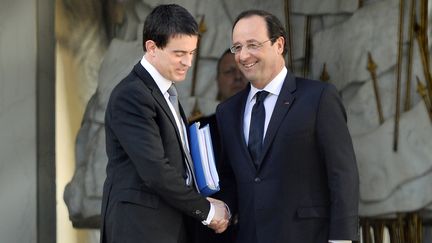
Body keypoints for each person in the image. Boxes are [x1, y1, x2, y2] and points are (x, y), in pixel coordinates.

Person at [215, 10, 359, 243]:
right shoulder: (227, 111)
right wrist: (224, 209)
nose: (243, 55)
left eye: (252, 44)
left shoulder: (319, 98)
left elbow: (343, 174)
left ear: (279, 44)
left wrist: (341, 239)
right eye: (237, 47)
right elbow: (230, 178)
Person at [100, 4, 229, 243]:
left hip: (167, 225)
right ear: (152, 48)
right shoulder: (133, 95)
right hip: (140, 230)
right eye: (179, 53)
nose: (188, 62)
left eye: (192, 53)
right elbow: (155, 170)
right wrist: (206, 210)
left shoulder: (165, 92)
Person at [189, 49, 247, 243]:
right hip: (212, 234)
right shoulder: (199, 129)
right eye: (229, 71)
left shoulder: (269, 126)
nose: (238, 76)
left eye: (242, 69)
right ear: (217, 80)